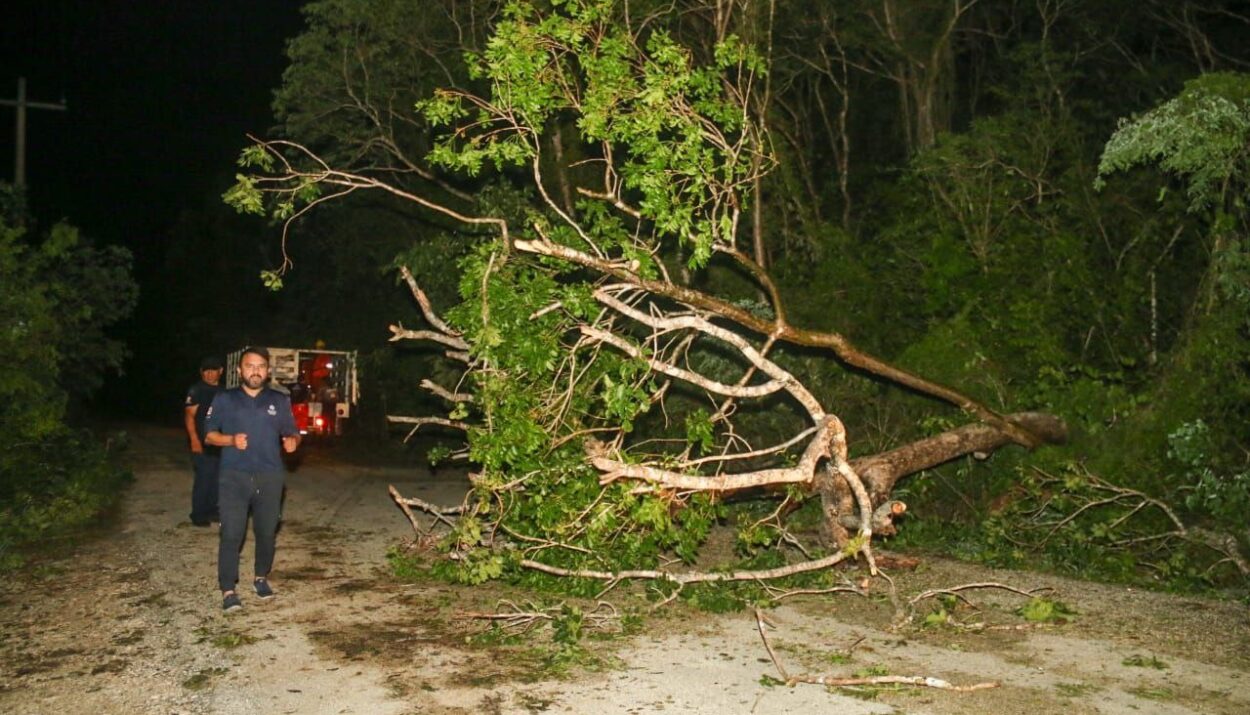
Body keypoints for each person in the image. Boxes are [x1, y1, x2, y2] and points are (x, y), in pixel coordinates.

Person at [204, 346, 301, 613]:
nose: (255, 371)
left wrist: (293, 441)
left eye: (260, 366)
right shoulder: (225, 399)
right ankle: (228, 589)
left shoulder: (279, 400)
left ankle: (261, 577)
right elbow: (209, 435)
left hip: (270, 476)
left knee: (267, 532)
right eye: (250, 366)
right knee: (232, 533)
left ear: (268, 371)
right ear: (239, 370)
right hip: (234, 476)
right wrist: (231, 440)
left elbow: (292, 431)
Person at [184, 355, 224, 526]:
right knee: (204, 478)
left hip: (220, 442)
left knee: (217, 478)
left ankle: (213, 510)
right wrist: (194, 439)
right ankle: (198, 514)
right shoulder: (196, 390)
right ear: (201, 372)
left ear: (220, 371)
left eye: (213, 370)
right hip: (202, 442)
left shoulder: (224, 391)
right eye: (206, 371)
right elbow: (189, 416)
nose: (209, 374)